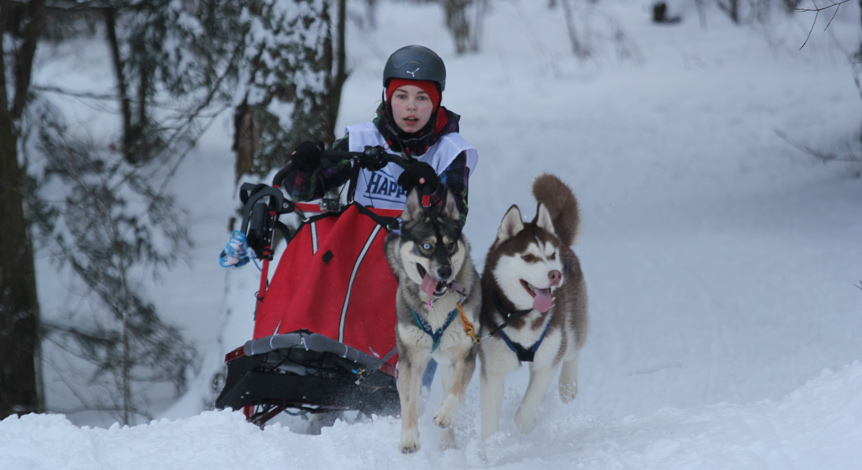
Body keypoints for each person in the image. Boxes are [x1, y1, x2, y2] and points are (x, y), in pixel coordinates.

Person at [283, 44, 478, 223]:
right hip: (361, 254)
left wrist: (433, 187)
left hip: (419, 256)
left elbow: (455, 220)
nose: (411, 106)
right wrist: (305, 167)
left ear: (436, 103)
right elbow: (300, 193)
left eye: (422, 97)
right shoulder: (362, 140)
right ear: (388, 99)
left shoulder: (450, 151)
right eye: (401, 96)